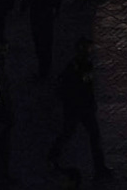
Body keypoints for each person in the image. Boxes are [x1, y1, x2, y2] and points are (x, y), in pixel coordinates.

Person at [47, 39, 114, 178]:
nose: (90, 52)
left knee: (91, 135)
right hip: (76, 108)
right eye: (88, 49)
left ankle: (99, 167)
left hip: (84, 107)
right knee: (69, 133)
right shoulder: (74, 68)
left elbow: (88, 87)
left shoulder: (85, 65)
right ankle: (52, 155)